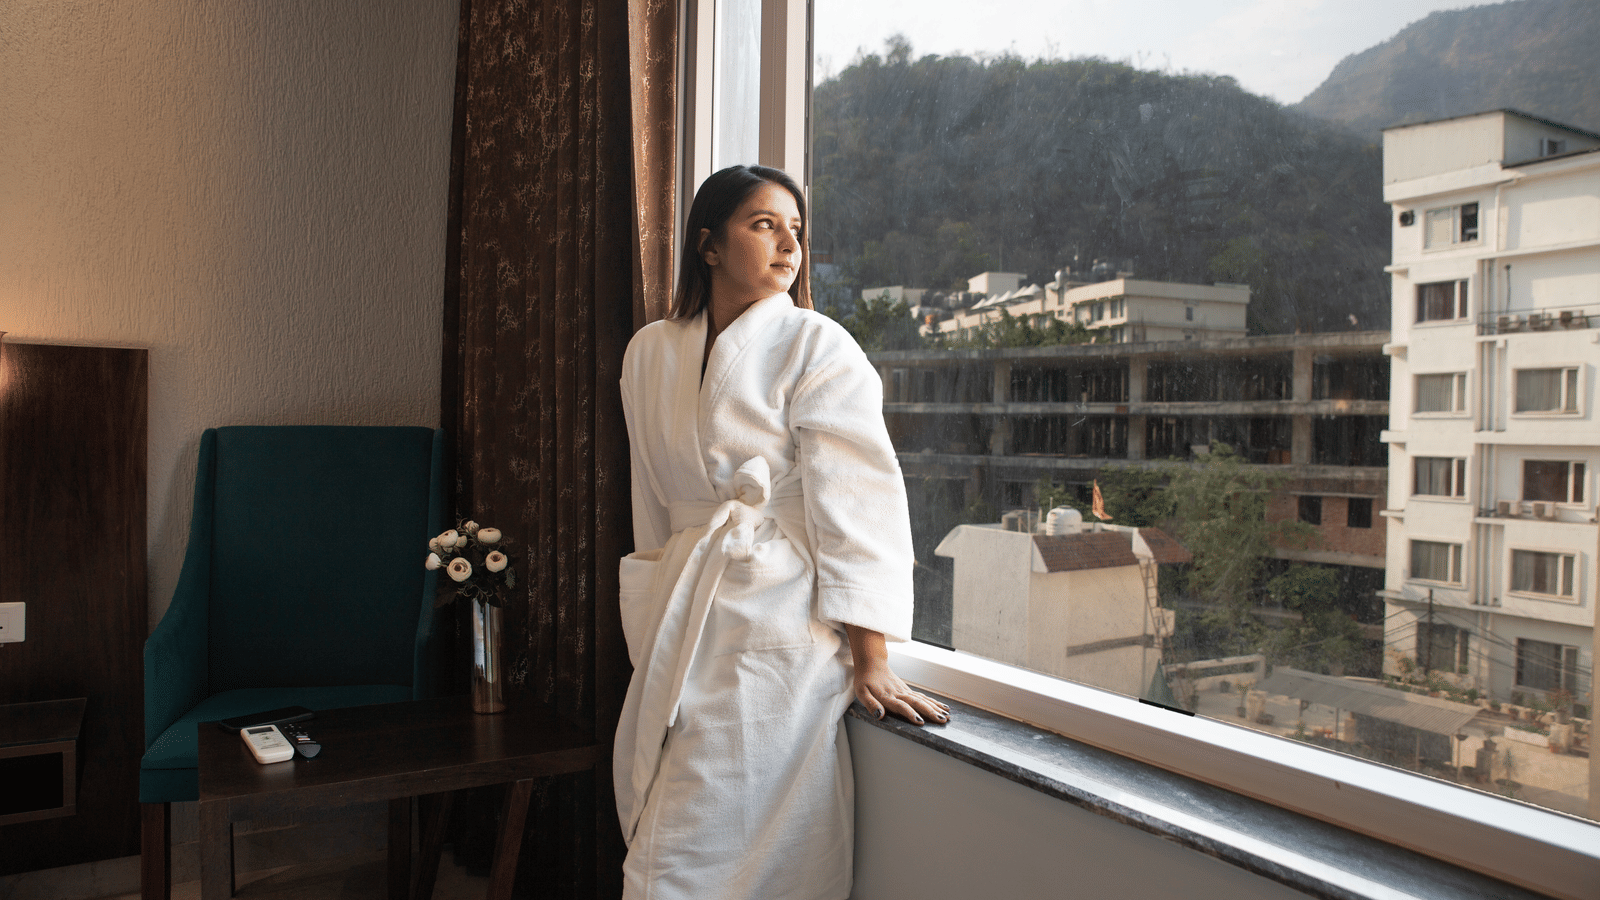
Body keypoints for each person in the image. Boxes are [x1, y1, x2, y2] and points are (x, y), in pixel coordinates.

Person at [613, 164, 950, 899]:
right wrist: (648, 602)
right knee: (668, 827)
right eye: (764, 224)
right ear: (708, 244)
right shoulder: (649, 352)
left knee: (691, 847)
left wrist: (871, 657)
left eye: (796, 229)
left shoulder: (817, 345)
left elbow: (856, 503)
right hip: (683, 611)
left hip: (778, 623)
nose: (789, 245)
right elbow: (652, 502)